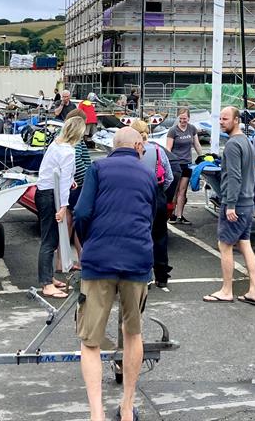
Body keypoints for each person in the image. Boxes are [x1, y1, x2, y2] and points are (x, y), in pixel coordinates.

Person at [73, 127, 156, 421]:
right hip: (137, 261)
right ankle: (126, 406)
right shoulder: (147, 174)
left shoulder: (98, 168)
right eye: (142, 145)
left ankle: (96, 414)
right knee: (133, 333)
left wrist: (90, 241)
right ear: (136, 146)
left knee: (90, 340)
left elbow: (81, 212)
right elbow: (152, 216)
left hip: (99, 261)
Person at [203, 107, 255, 305]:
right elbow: (253, 174)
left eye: (225, 119)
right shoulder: (247, 141)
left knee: (225, 245)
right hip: (248, 202)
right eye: (220, 118)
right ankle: (253, 290)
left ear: (236, 120)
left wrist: (230, 205)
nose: (221, 122)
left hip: (236, 203)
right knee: (245, 244)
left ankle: (227, 290)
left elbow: (234, 176)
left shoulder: (233, 145)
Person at [34, 116, 86, 299]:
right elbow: (62, 181)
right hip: (51, 196)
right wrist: (63, 207)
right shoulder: (69, 152)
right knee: (49, 240)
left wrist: (70, 180)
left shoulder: (56, 144)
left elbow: (51, 169)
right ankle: (46, 284)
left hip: (43, 191)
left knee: (51, 238)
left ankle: (49, 277)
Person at [131, 119, 174, 290]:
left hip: (139, 195)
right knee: (160, 237)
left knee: (140, 237)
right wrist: (160, 191)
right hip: (157, 195)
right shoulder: (158, 150)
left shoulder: (134, 152)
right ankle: (162, 275)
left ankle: (144, 275)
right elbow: (169, 177)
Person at [63, 109, 92, 268]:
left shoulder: (63, 139)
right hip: (78, 186)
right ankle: (82, 259)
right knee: (78, 223)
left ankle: (64, 260)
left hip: (69, 186)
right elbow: (79, 164)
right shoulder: (78, 141)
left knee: (67, 224)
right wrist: (90, 178)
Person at [166, 107, 203, 225]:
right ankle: (170, 214)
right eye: (180, 118)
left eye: (185, 118)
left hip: (187, 163)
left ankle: (179, 215)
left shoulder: (192, 129)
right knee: (175, 190)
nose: (182, 121)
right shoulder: (173, 131)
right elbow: (168, 149)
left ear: (189, 118)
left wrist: (202, 156)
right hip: (176, 164)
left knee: (183, 191)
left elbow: (196, 144)